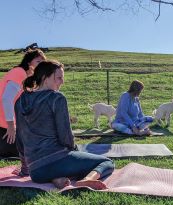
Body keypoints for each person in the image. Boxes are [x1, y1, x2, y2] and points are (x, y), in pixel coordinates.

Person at [14, 60, 114, 189]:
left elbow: (20, 138)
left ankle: (57, 179)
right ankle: (87, 179)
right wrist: (74, 150)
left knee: (72, 163)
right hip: (58, 159)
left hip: (36, 172)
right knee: (107, 162)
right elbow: (65, 136)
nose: (62, 82)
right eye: (59, 78)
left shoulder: (20, 100)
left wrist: (25, 169)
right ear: (45, 78)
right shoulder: (57, 98)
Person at [0, 49, 46, 157]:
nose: (41, 65)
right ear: (29, 62)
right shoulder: (19, 72)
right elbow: (6, 99)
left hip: (8, 125)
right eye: (38, 62)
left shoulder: (27, 79)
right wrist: (11, 126)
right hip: (5, 126)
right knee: (27, 150)